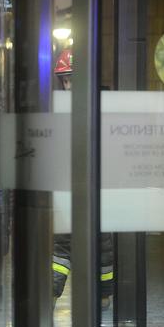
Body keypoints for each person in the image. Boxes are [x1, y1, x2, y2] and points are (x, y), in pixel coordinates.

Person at [52, 49, 114, 309]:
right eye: (65, 80)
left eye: (73, 79)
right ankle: (52, 295)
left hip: (98, 188)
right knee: (62, 247)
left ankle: (103, 295)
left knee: (102, 244)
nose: (68, 85)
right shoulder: (59, 109)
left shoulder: (104, 107)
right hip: (69, 188)